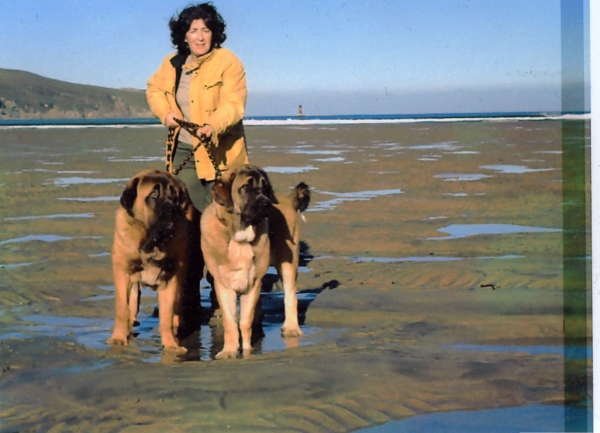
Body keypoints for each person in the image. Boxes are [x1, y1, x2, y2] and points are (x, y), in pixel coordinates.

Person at [146, 2, 248, 330]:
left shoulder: (228, 62)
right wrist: (167, 114)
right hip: (185, 154)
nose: (200, 36)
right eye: (193, 30)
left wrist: (212, 125)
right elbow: (155, 90)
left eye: (205, 29)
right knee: (186, 228)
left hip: (222, 156)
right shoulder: (172, 63)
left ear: (214, 33)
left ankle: (222, 301)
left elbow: (234, 105)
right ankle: (188, 299)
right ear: (183, 36)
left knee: (222, 229)